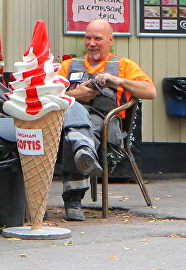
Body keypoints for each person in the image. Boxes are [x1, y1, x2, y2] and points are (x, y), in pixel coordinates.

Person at [59, 19, 156, 222]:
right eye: (88, 38)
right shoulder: (68, 65)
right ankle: (83, 150)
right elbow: (52, 95)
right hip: (69, 120)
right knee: (73, 118)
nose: (91, 43)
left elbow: (150, 91)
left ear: (110, 40)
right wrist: (78, 94)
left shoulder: (123, 65)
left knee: (74, 133)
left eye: (97, 38)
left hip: (105, 125)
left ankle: (73, 200)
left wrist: (118, 81)